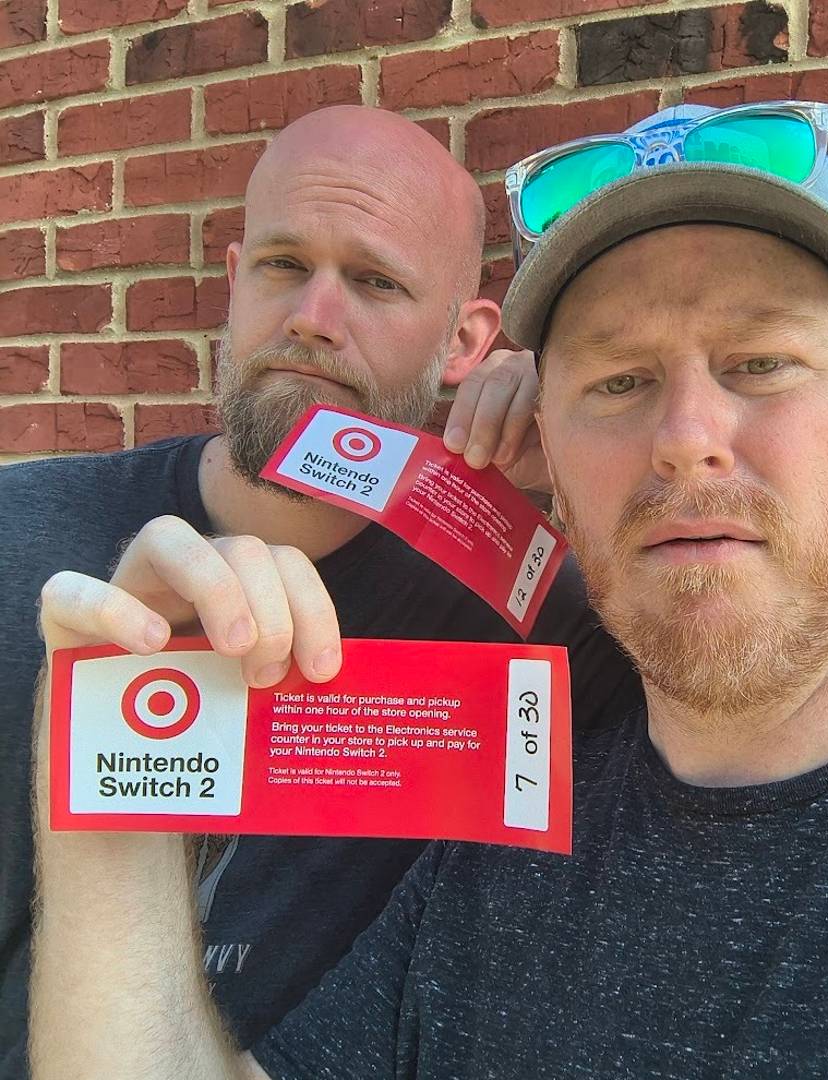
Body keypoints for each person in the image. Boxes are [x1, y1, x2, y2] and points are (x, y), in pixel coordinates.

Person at [29, 102, 828, 1078]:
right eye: (618, 382)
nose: (686, 440)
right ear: (551, 457)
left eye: (760, 362)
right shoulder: (505, 834)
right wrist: (112, 747)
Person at [1, 105, 642, 1079]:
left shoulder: (532, 617)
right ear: (233, 283)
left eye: (376, 282)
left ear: (465, 343)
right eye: (283, 264)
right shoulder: (21, 534)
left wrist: (593, 457)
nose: (313, 316)